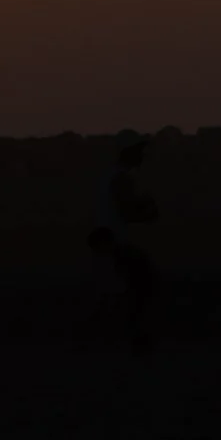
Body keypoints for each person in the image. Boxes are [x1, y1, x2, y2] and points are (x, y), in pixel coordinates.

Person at [90, 140, 160, 348]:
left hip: (107, 240)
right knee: (139, 289)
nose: (142, 157)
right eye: (139, 152)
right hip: (117, 242)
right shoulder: (121, 179)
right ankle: (135, 337)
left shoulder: (107, 177)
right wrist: (148, 208)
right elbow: (129, 212)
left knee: (119, 290)